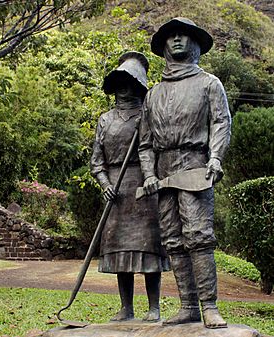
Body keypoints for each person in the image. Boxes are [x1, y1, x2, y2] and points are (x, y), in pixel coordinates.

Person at [138, 18, 231, 329]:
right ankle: (188, 305)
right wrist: (149, 174)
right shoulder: (153, 95)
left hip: (195, 166)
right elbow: (146, 142)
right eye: (171, 36)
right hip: (163, 172)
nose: (176, 39)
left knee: (199, 237)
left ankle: (210, 306)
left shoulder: (209, 84)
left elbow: (220, 123)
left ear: (195, 44)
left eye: (183, 35)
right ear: (164, 46)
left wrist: (215, 157)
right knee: (174, 241)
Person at [90, 51, 170, 322]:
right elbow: (96, 162)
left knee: (148, 249)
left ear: (139, 86)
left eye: (130, 84)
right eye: (120, 84)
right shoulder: (105, 120)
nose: (125, 89)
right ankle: (126, 307)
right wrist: (105, 184)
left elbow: (159, 152)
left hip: (144, 189)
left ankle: (154, 307)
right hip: (116, 192)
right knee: (120, 251)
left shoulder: (148, 117)